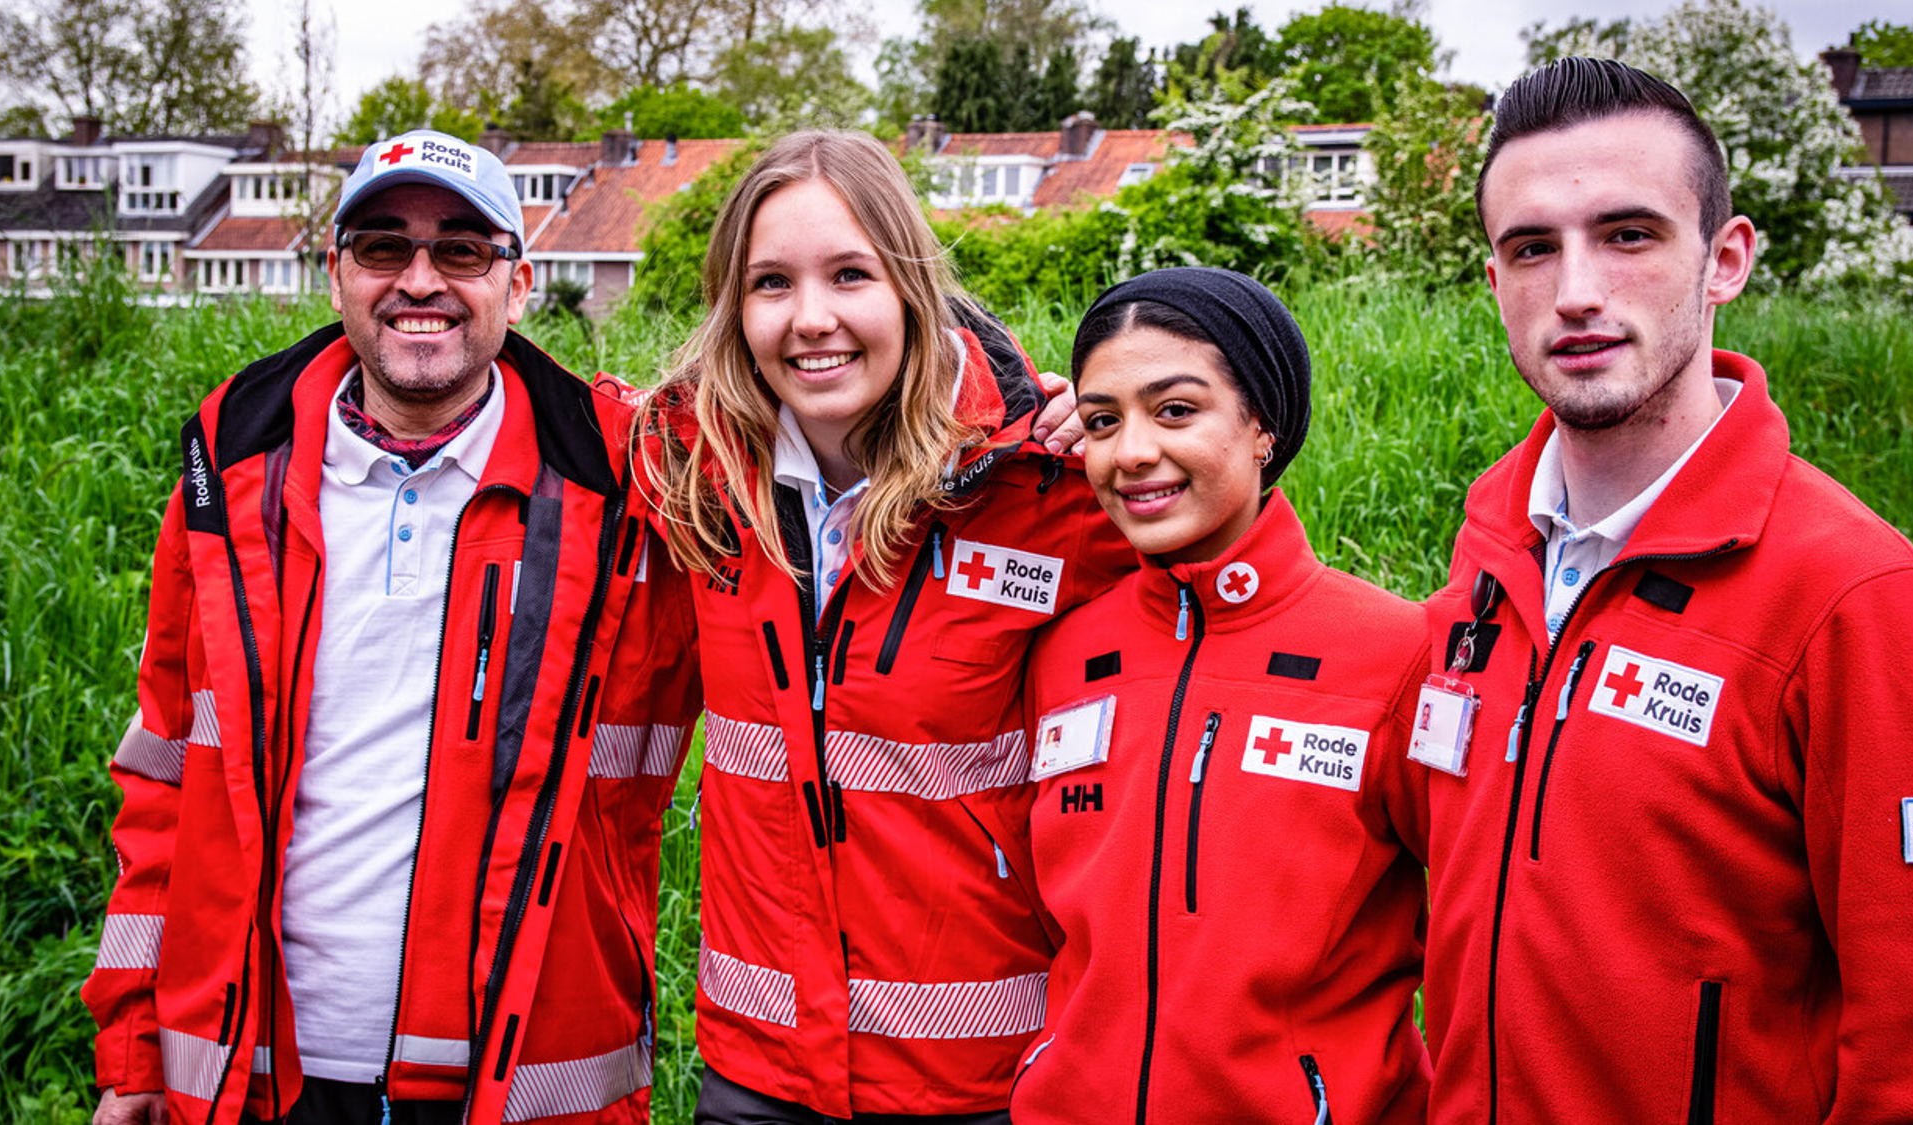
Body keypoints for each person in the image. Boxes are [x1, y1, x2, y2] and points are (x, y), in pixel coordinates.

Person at [83, 130, 700, 1125]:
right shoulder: (229, 485)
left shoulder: (630, 488)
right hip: (255, 1080)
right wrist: (132, 1052)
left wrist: (1040, 411)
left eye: (461, 250)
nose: (421, 280)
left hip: (521, 1090)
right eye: (382, 247)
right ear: (336, 275)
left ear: (520, 278)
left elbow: (856, 435)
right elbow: (164, 788)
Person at [1415, 58, 1913, 1124]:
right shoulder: (1484, 560)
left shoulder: (1856, 595)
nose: (1575, 292)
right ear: (1493, 283)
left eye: (1628, 235)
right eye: (1530, 249)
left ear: (1723, 260)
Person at [636, 129, 1133, 1123]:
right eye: (771, 283)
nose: (811, 319)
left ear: (909, 284)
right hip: (757, 1076)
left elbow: (1225, 592)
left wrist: (1132, 425)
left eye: (849, 274)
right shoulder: (682, 473)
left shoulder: (1046, 484)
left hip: (979, 1082)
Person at [1012, 268, 1431, 1124]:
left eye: (1175, 411)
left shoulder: (1396, 653)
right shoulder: (1059, 653)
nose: (1131, 452)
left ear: (1262, 426)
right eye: (1102, 420)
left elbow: (1477, 942)